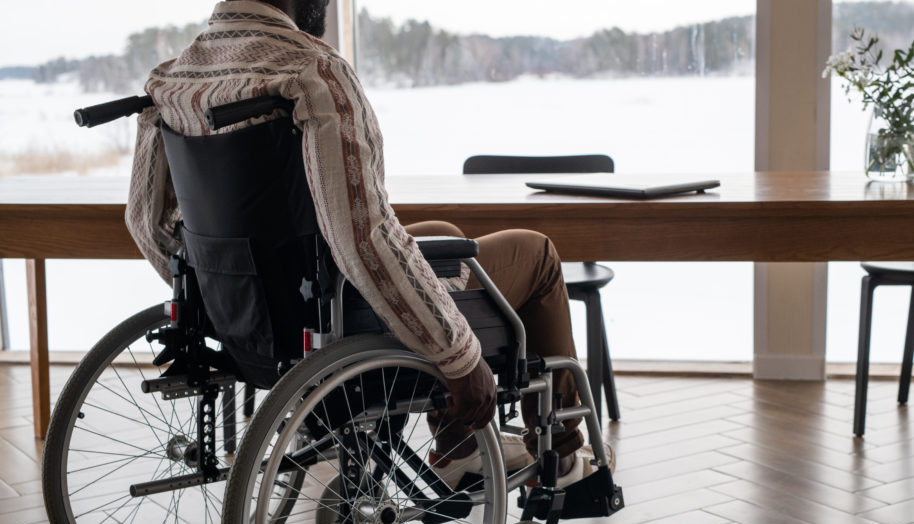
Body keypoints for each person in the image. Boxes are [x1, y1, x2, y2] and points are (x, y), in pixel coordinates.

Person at [126, 0, 610, 484]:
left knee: (444, 236)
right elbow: (363, 239)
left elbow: (146, 224)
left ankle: (458, 444)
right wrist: (460, 356)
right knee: (538, 253)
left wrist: (226, 298)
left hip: (261, 321)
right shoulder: (312, 70)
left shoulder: (173, 78)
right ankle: (564, 454)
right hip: (333, 312)